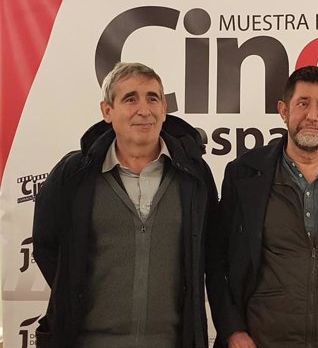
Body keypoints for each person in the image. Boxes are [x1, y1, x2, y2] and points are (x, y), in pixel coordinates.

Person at [32, 62, 217, 348]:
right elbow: (47, 245)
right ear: (107, 111)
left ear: (164, 107)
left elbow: (212, 252)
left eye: (152, 98)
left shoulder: (194, 175)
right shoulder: (73, 175)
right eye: (130, 98)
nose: (144, 109)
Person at [208, 66, 318, 348]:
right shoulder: (243, 174)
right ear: (284, 110)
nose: (312, 116)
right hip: (263, 340)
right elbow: (216, 258)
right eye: (303, 104)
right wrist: (232, 329)